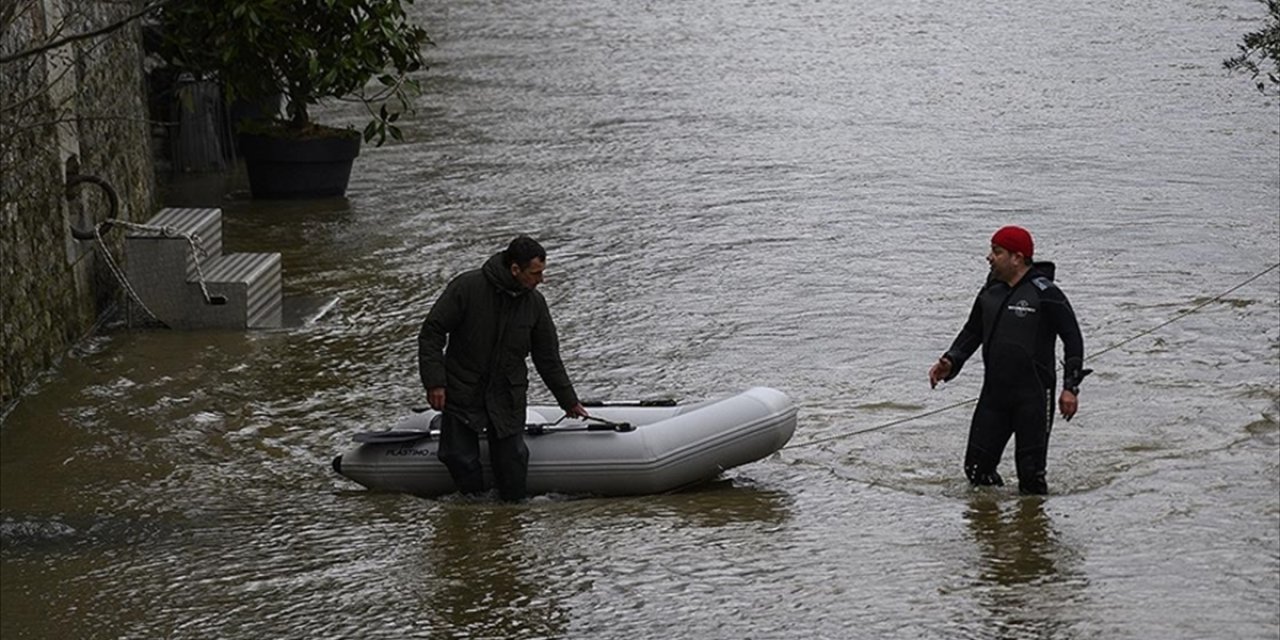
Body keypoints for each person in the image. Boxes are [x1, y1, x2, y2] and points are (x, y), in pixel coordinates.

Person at [418, 236, 589, 501]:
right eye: (535, 273)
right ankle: (472, 510)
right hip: (463, 388)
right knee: (458, 457)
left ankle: (509, 524)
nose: (540, 280)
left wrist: (568, 400)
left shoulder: (535, 304)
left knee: (513, 461)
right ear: (515, 270)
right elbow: (432, 333)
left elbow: (547, 357)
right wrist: (435, 382)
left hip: (507, 392)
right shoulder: (467, 287)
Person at [928, 225, 1090, 495]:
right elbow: (972, 331)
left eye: (996, 251)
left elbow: (1073, 339)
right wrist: (951, 361)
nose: (989, 257)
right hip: (994, 396)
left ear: (1018, 257)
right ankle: (997, 529)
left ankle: (1033, 533)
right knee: (976, 471)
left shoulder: (1046, 293)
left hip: (1035, 397)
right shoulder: (990, 291)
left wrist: (1070, 388)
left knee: (1031, 479)